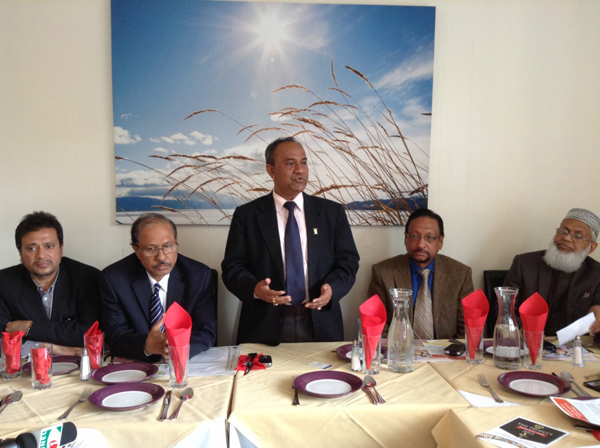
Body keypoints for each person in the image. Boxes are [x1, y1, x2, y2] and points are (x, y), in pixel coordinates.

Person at [222, 137, 359, 345]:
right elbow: (232, 267)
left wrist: (332, 289)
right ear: (271, 170)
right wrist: (255, 289)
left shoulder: (331, 213)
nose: (300, 170)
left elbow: (348, 262)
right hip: (264, 323)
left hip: (320, 321)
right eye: (290, 163)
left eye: (303, 162)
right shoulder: (247, 215)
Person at [101, 213, 216, 361]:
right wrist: (146, 345)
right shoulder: (114, 279)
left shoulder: (199, 276)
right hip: (137, 362)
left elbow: (206, 331)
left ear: (176, 243)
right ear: (137, 250)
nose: (161, 257)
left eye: (168, 246)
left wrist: (178, 349)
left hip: (185, 362)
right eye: (151, 249)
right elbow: (115, 335)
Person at [0, 211, 100, 355]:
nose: (41, 255)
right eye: (31, 248)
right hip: (26, 366)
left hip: (78, 365)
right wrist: (54, 348)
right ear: (20, 253)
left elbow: (90, 335)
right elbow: (3, 341)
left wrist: (30, 328)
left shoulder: (88, 279)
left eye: (49, 246)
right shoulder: (4, 283)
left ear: (61, 248)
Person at [368, 207, 473, 339]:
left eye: (429, 238)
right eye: (414, 236)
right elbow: (377, 327)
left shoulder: (460, 274)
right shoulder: (383, 273)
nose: (421, 244)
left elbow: (468, 329)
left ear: (441, 241)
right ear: (406, 239)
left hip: (447, 350)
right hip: (399, 350)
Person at [505, 208, 600, 335]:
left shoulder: (597, 273)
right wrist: (522, 330)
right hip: (527, 342)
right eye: (563, 231)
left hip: (574, 345)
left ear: (591, 247)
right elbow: (504, 307)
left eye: (578, 236)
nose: (566, 238)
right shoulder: (524, 264)